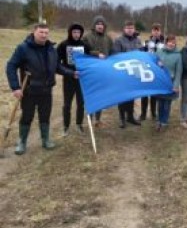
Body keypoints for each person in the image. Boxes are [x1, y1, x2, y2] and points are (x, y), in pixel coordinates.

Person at [6, 23, 76, 155]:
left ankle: (46, 139)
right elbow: (11, 66)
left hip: (46, 90)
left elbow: (57, 67)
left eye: (46, 33)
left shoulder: (51, 49)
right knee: (27, 116)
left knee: (45, 116)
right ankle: (22, 142)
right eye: (41, 32)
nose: (44, 35)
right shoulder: (23, 48)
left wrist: (72, 73)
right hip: (29, 90)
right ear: (34, 32)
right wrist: (15, 87)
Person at [57, 23, 90, 136]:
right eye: (74, 32)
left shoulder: (85, 45)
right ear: (70, 33)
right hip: (69, 79)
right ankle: (66, 126)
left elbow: (89, 60)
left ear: (81, 33)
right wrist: (69, 72)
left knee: (80, 103)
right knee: (67, 104)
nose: (76, 34)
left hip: (81, 79)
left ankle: (79, 124)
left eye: (78, 32)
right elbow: (57, 63)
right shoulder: (63, 45)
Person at [83, 15, 113, 128]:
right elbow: (84, 51)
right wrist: (96, 54)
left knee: (101, 95)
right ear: (94, 25)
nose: (100, 26)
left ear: (104, 26)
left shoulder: (108, 38)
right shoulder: (87, 37)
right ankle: (90, 119)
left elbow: (112, 52)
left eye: (102, 24)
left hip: (103, 71)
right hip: (91, 70)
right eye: (98, 24)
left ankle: (98, 119)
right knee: (92, 95)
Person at [113, 20, 142, 128]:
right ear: (124, 29)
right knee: (122, 96)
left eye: (131, 28)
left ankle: (130, 116)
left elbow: (141, 54)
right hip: (123, 72)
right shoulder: (118, 40)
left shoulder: (138, 40)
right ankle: (122, 118)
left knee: (132, 95)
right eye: (128, 28)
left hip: (134, 72)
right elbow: (116, 55)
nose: (130, 30)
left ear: (134, 29)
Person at [155, 34, 182, 131]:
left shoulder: (178, 55)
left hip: (170, 83)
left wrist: (176, 85)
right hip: (160, 82)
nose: (171, 44)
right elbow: (153, 63)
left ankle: (164, 122)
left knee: (166, 104)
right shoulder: (159, 52)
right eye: (170, 42)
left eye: (173, 42)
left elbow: (179, 72)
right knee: (160, 103)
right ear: (166, 42)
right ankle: (158, 120)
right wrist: (158, 64)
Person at [140, 23, 165, 120]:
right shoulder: (146, 42)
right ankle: (143, 114)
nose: (156, 32)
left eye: (157, 30)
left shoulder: (164, 43)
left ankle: (153, 113)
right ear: (151, 31)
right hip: (146, 70)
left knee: (154, 93)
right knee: (144, 93)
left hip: (158, 71)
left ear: (160, 31)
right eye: (154, 30)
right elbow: (141, 54)